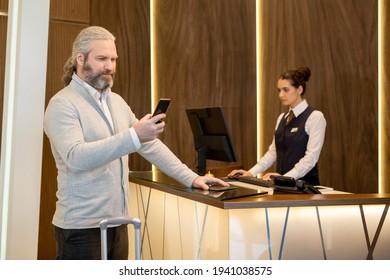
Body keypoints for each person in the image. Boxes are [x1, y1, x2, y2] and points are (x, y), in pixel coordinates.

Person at [44, 26, 228, 260]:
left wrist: (190, 177)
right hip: (81, 227)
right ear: (80, 58)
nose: (109, 66)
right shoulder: (62, 104)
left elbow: (148, 145)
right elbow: (75, 157)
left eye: (113, 59)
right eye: (102, 59)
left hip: (119, 222)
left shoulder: (117, 102)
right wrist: (134, 135)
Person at [228, 66, 326, 186]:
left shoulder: (315, 117)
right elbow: (273, 153)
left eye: (286, 90)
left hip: (305, 187)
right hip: (281, 186)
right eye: (279, 90)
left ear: (299, 89)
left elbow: (311, 158)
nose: (281, 95)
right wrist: (251, 173)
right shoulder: (282, 118)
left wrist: (286, 178)